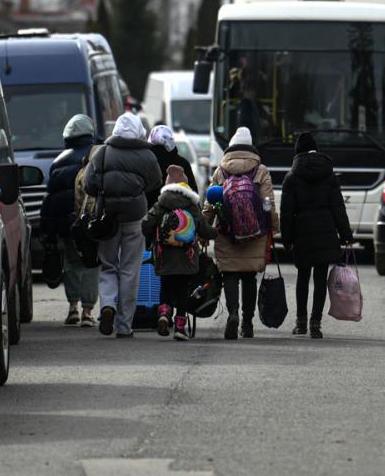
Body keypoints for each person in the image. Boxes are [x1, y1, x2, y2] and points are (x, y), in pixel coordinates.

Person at [81, 112, 162, 339]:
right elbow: (156, 182)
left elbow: (88, 184)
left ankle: (107, 305)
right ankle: (124, 326)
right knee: (130, 270)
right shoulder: (146, 154)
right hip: (135, 217)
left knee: (108, 266)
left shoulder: (103, 152)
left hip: (107, 217)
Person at [279, 131, 353, 338]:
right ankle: (315, 324)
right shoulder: (328, 175)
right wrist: (346, 235)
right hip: (325, 232)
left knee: (303, 278)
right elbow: (338, 208)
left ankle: (300, 323)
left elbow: (286, 213)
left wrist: (286, 238)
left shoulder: (291, 177)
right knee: (320, 279)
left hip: (302, 233)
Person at [206, 125, 277, 339]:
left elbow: (210, 203)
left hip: (227, 231)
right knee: (249, 277)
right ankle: (247, 322)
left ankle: (233, 313)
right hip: (255, 232)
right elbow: (268, 203)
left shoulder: (221, 171)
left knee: (229, 273)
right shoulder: (260, 170)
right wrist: (273, 226)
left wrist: (204, 227)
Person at [141, 165, 215, 341]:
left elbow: (145, 224)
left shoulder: (161, 204)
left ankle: (164, 314)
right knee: (182, 290)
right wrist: (216, 232)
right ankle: (180, 327)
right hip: (187, 256)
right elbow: (204, 230)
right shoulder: (192, 205)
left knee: (166, 287)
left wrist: (153, 235)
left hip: (164, 255)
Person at [41, 113, 98, 327]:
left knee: (72, 263)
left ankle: (73, 308)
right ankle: (88, 311)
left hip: (67, 225)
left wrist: (48, 230)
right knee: (92, 263)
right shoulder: (97, 156)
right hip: (91, 222)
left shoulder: (58, 162)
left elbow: (50, 201)